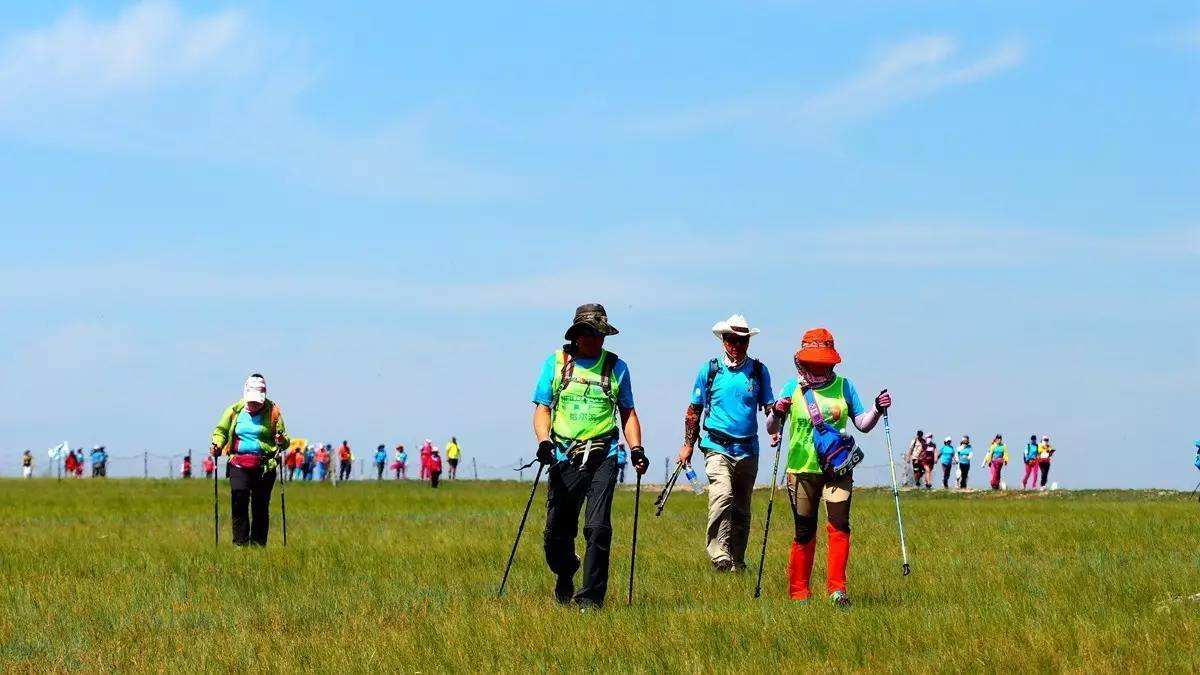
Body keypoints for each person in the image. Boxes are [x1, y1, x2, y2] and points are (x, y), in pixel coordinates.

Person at [532, 303, 648, 610]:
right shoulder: (556, 363)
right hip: (562, 455)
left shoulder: (617, 367)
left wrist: (636, 448)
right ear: (577, 334)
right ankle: (566, 570)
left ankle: (590, 600)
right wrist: (544, 441)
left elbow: (627, 412)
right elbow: (543, 408)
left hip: (604, 454)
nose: (597, 340)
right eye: (591, 334)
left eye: (600, 334)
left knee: (597, 527)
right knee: (557, 531)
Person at [766, 327, 891, 608]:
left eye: (824, 360)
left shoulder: (845, 386)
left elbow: (862, 424)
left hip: (838, 468)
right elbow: (771, 427)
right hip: (801, 469)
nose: (819, 365)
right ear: (802, 360)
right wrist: (777, 410)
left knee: (839, 525)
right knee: (804, 531)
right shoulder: (792, 387)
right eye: (814, 360)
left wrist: (877, 408)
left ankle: (838, 590)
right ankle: (799, 593)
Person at [679, 314, 774, 573]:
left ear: (748, 342)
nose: (737, 345)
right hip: (716, 446)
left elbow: (768, 407)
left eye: (742, 340)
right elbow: (693, 409)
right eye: (732, 340)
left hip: (748, 449)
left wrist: (775, 426)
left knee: (741, 509)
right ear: (723, 340)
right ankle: (718, 553)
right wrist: (688, 444)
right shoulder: (709, 370)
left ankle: (736, 561)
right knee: (723, 496)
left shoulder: (758, 371)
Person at [210, 373, 288, 547]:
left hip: (264, 465)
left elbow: (284, 440)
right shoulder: (234, 411)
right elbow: (221, 431)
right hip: (238, 463)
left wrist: (281, 441)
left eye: (257, 401)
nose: (254, 404)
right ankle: (240, 544)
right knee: (239, 497)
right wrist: (217, 444)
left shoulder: (273, 412)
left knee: (260, 506)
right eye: (251, 401)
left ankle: (258, 546)